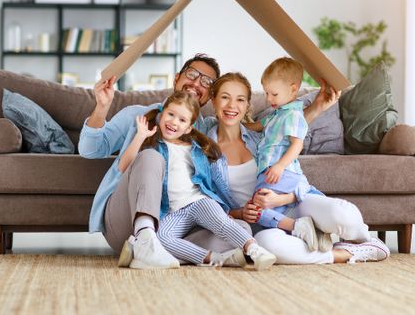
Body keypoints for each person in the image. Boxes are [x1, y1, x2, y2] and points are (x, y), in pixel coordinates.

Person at [207, 71, 390, 264]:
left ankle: (365, 241)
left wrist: (284, 198)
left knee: (344, 214)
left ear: (247, 106)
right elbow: (205, 201)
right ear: (213, 100)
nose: (231, 106)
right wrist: (239, 213)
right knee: (266, 245)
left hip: (294, 203)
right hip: (263, 223)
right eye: (225, 97)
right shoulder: (204, 150)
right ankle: (345, 253)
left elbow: (289, 125)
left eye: (240, 99)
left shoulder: (263, 139)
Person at [79, 54, 229, 270]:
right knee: (150, 156)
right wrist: (102, 107)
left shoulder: (209, 132)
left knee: (238, 229)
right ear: (176, 78)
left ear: (210, 95)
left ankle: (160, 250)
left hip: (176, 227)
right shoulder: (138, 116)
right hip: (125, 221)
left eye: (206, 82)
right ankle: (145, 240)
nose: (197, 83)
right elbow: (89, 150)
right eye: (192, 74)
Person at [117, 91, 276, 270]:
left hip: (198, 202)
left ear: (189, 128)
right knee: (161, 237)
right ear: (161, 114)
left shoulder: (196, 149)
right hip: (172, 211)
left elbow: (214, 182)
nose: (174, 122)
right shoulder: (152, 146)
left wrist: (227, 209)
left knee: (223, 224)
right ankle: (214, 258)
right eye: (170, 115)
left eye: (182, 120)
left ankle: (255, 250)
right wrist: (140, 135)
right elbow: (124, 168)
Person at [247, 57, 332, 252]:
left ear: (293, 89)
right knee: (261, 213)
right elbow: (257, 126)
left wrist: (279, 166)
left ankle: (301, 227)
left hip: (280, 173)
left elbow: (297, 144)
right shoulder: (277, 114)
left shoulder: (293, 114)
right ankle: (310, 233)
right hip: (273, 173)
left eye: (273, 94)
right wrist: (237, 125)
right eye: (267, 93)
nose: (269, 99)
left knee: (257, 209)